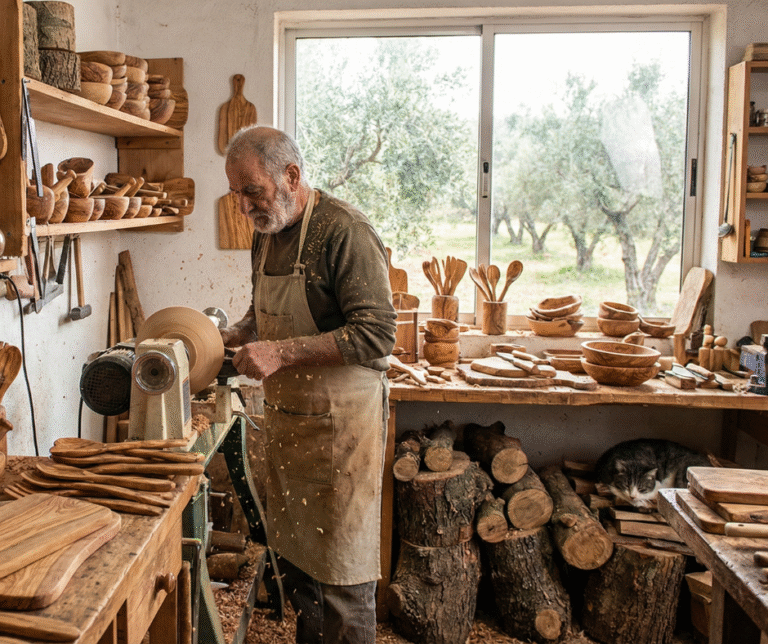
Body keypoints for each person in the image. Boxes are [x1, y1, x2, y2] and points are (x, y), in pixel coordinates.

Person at [220, 125, 397, 644]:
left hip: (342, 430)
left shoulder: (344, 231)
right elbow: (261, 311)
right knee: (300, 568)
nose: (244, 206)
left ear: (291, 176)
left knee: (341, 573)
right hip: (293, 426)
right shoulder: (267, 231)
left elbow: (377, 333)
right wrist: (236, 333)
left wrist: (279, 353)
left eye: (252, 190)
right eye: (236, 193)